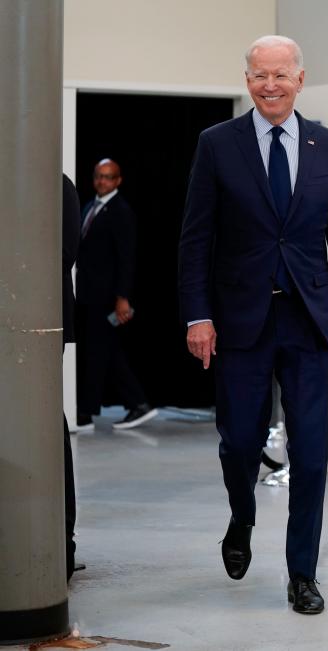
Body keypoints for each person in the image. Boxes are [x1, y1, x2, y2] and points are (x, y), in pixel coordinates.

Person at [178, 35, 328, 615]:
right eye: (260, 75)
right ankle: (241, 518)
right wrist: (198, 314)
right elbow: (196, 239)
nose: (270, 86)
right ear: (248, 79)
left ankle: (302, 574)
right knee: (239, 442)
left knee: (311, 453)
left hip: (308, 320)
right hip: (239, 322)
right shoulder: (217, 144)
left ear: (300, 81)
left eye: (281, 75)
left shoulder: (327, 147)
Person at [74, 159, 158, 431]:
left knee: (100, 352)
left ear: (118, 180)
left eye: (108, 177)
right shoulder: (90, 206)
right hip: (89, 294)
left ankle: (86, 413)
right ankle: (137, 404)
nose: (102, 181)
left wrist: (123, 297)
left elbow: (127, 258)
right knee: (104, 351)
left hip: (108, 297)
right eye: (99, 176)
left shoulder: (121, 211)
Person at [62, 174, 82, 579]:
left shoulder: (57, 184)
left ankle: (61, 541)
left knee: (47, 422)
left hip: (41, 319)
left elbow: (63, 254)